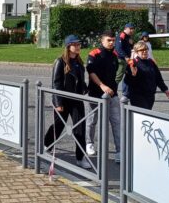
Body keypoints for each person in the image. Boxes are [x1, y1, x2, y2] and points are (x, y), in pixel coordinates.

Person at [44, 35, 90, 169]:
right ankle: (46, 145)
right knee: (58, 126)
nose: (78, 47)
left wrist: (85, 88)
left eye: (79, 44)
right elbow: (56, 83)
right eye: (75, 44)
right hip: (63, 101)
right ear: (68, 47)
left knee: (80, 128)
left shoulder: (79, 63)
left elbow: (80, 81)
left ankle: (80, 157)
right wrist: (58, 103)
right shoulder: (60, 62)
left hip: (77, 101)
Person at [84, 30, 121, 162]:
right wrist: (102, 86)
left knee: (116, 122)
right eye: (109, 40)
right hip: (96, 93)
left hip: (113, 94)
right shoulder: (95, 53)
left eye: (113, 40)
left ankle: (119, 151)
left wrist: (113, 85)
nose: (111, 43)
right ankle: (89, 143)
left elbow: (118, 70)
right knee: (92, 120)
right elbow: (91, 71)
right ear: (102, 40)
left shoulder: (115, 54)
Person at [124, 41, 169, 110]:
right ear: (137, 52)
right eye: (142, 50)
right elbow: (127, 81)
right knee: (142, 115)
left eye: (146, 49)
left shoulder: (151, 62)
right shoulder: (132, 63)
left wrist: (165, 89)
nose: (145, 51)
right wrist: (132, 75)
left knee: (147, 114)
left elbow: (158, 78)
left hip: (150, 95)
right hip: (138, 96)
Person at [115, 23, 135, 90]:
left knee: (129, 75)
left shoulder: (128, 37)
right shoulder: (122, 35)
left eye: (133, 29)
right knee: (118, 77)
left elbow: (129, 47)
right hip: (121, 59)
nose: (132, 30)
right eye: (130, 29)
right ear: (125, 29)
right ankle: (111, 92)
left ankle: (126, 93)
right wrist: (125, 57)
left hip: (127, 60)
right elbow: (118, 48)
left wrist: (132, 45)